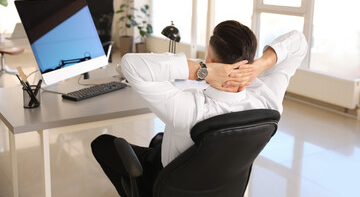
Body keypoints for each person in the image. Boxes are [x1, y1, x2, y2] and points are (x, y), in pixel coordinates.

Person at [91, 20, 308, 196]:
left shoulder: (190, 110)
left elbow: (131, 65)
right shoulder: (268, 101)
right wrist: (261, 65)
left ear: (210, 60)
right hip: (225, 183)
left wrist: (202, 71)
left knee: (103, 144)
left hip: (167, 184)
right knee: (158, 140)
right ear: (248, 61)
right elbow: (299, 42)